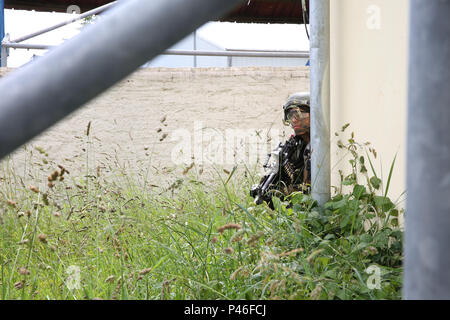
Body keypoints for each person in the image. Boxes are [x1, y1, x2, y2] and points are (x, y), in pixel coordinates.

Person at [282, 92, 311, 194]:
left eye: (299, 114)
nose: (294, 119)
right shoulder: (295, 145)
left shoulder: (317, 147)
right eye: (291, 115)